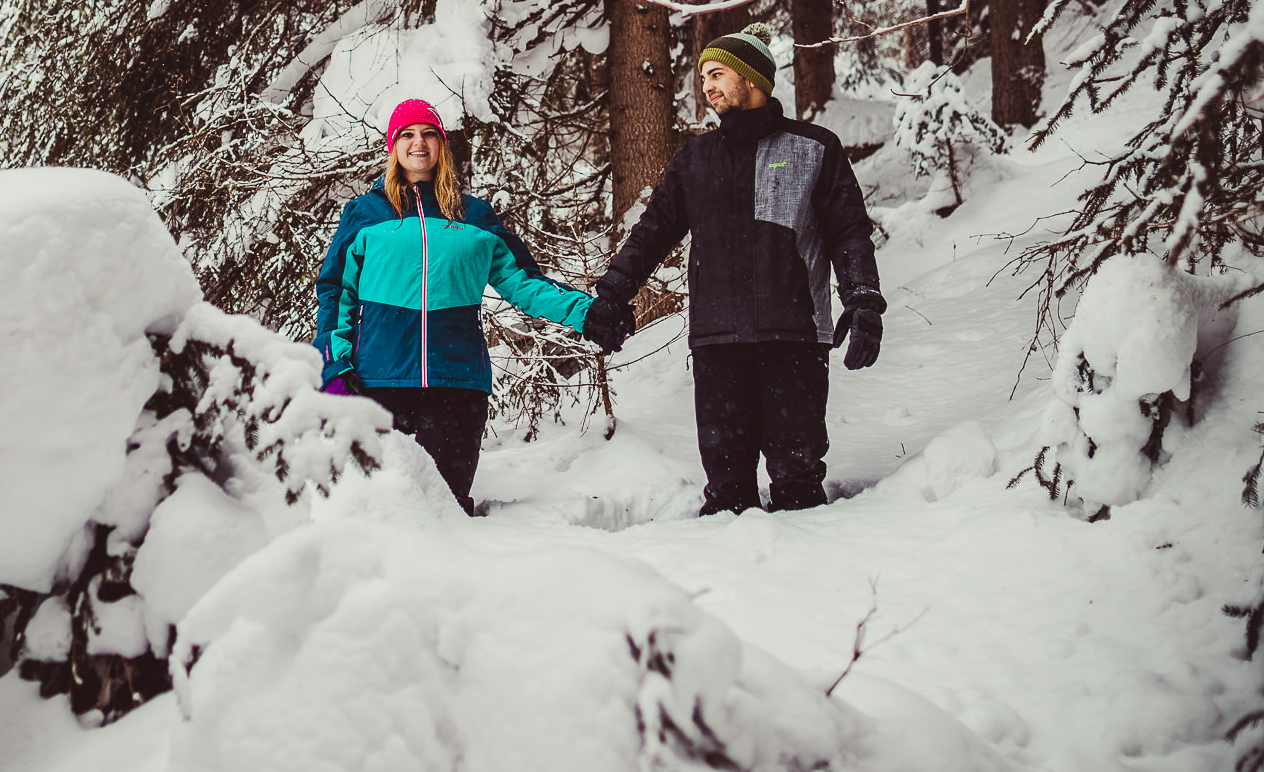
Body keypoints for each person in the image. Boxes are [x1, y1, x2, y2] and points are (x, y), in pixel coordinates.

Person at [589, 25, 885, 514]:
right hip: (718, 341)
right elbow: (652, 232)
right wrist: (613, 293)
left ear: (752, 79)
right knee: (726, 491)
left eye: (718, 73)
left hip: (794, 337)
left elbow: (848, 232)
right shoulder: (695, 159)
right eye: (703, 75)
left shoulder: (814, 148)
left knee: (798, 481)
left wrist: (864, 300)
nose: (707, 85)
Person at [315, 98, 624, 511]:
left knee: (447, 507)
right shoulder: (366, 213)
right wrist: (334, 365)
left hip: (457, 385)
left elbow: (523, 283)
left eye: (428, 134)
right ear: (393, 146)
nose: (418, 143)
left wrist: (588, 313)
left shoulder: (474, 215)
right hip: (379, 382)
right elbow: (336, 292)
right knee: (379, 508)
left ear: (442, 145)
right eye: (407, 134)